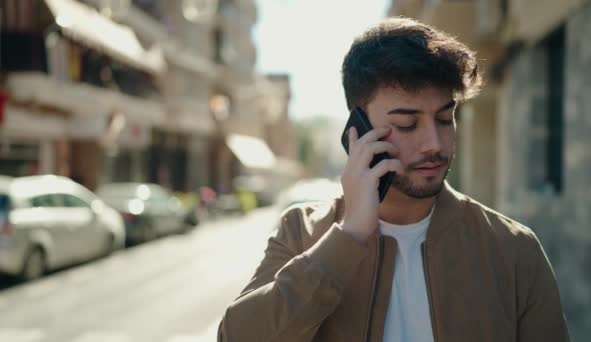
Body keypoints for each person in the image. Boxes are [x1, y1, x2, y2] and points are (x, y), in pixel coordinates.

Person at [218, 17, 570, 342]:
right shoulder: (302, 232)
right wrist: (349, 235)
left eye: (445, 119)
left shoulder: (512, 250)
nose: (434, 143)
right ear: (358, 129)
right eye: (407, 124)